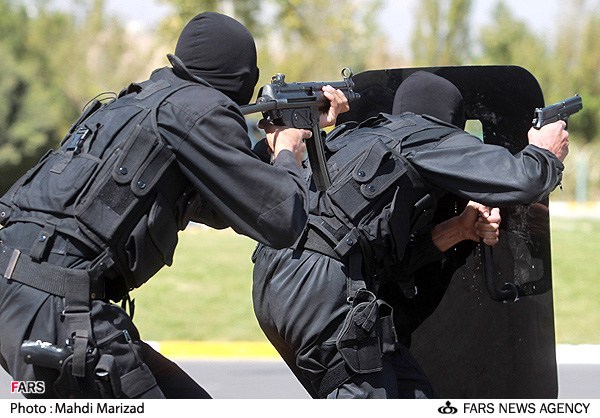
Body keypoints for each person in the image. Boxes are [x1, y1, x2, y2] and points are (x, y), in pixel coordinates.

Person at [0, 12, 347, 399]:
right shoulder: (202, 110)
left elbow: (215, 205)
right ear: (243, 77)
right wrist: (288, 152)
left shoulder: (141, 102)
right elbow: (284, 220)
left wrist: (268, 152)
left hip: (23, 293)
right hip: (60, 310)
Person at [251, 71, 569, 399]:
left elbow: (377, 254)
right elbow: (524, 179)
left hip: (276, 275)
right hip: (320, 289)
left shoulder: (352, 136)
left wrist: (459, 228)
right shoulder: (428, 136)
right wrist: (545, 151)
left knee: (410, 393)